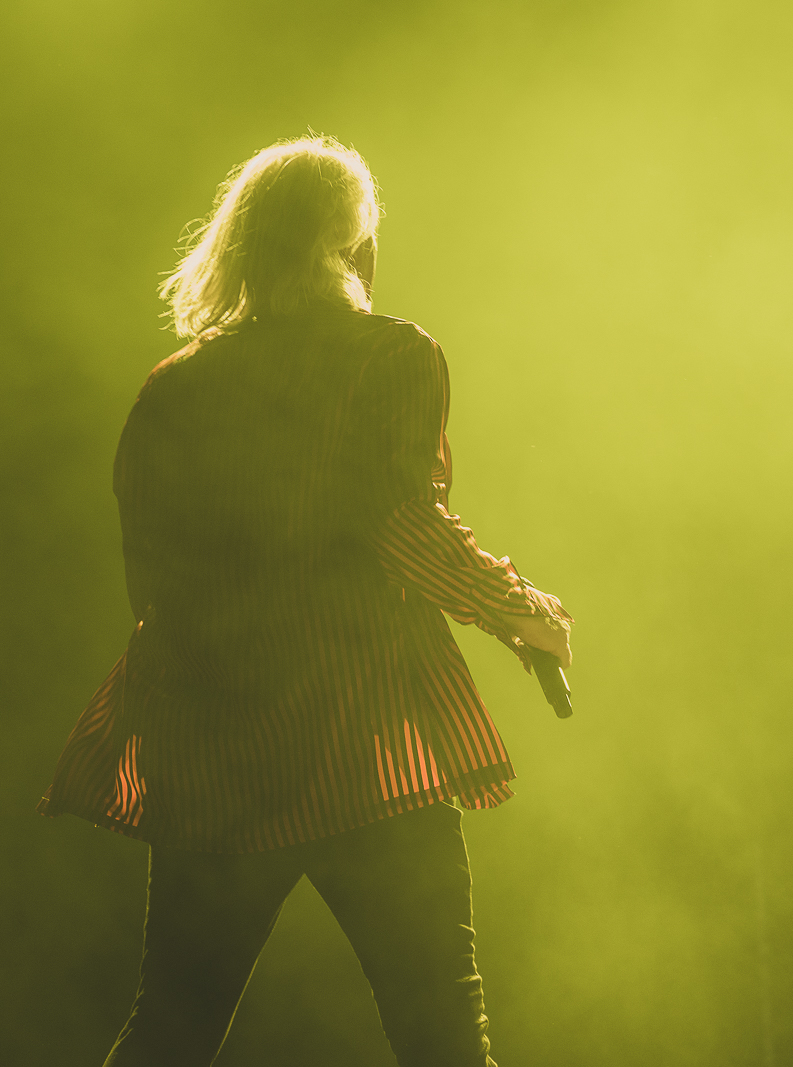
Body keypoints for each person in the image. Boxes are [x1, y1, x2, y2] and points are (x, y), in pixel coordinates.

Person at [38, 135, 572, 1067]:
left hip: (212, 750)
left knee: (171, 1024)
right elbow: (404, 521)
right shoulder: (389, 355)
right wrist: (521, 610)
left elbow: (147, 578)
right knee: (441, 1027)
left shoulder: (174, 388)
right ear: (346, 240)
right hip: (368, 743)